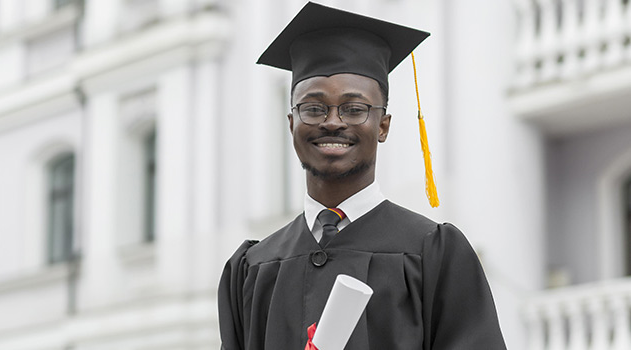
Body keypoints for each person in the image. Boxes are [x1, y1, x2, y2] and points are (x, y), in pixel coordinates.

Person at [217, 2, 507, 349]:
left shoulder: (432, 253)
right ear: (291, 123)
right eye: (313, 108)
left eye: (354, 109)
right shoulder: (253, 268)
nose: (333, 122)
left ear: (382, 125)